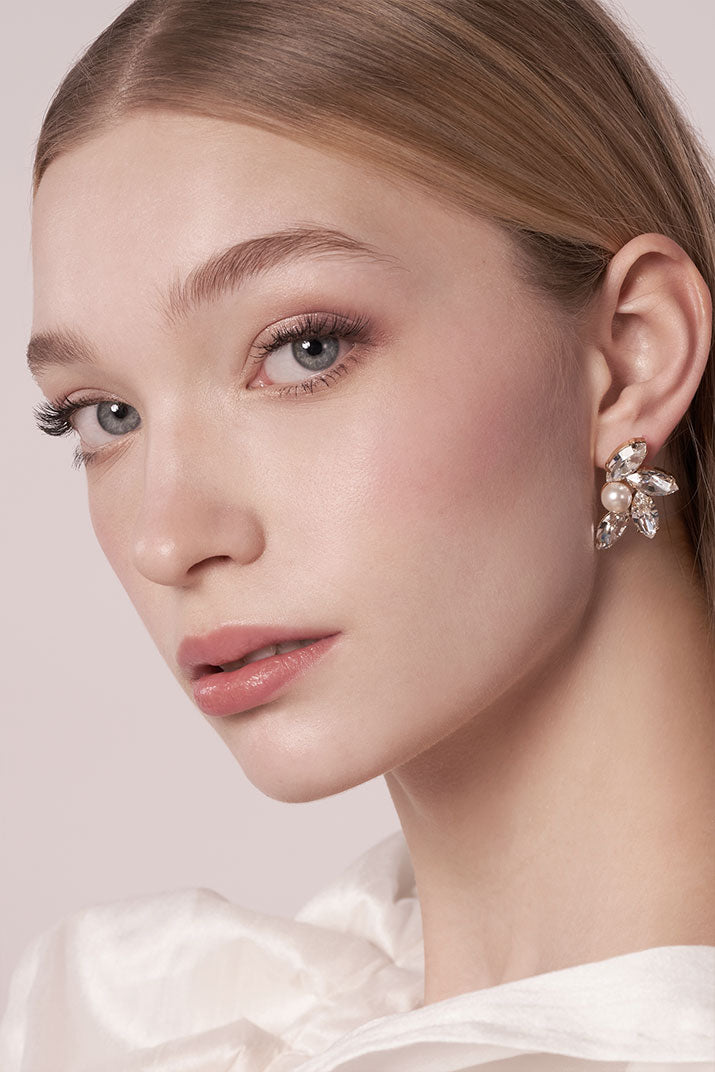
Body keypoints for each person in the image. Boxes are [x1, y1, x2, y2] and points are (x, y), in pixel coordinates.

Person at [1, 0, 714, 1068]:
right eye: (105, 414)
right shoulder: (126, 1016)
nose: (168, 537)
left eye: (303, 348)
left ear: (632, 354)